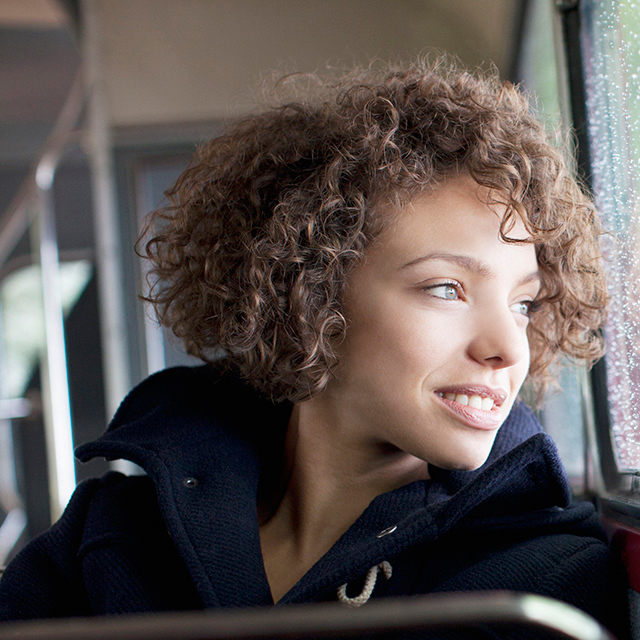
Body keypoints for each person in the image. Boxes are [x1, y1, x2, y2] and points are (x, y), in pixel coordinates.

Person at [0, 58, 628, 636]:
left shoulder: (541, 586)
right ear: (310, 291)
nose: (506, 348)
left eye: (523, 304)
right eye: (445, 288)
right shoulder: (112, 534)